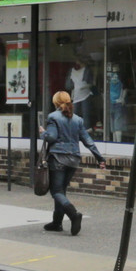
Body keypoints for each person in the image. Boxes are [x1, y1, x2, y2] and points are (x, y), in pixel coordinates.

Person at [41, 89, 103, 234]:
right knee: (61, 191)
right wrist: (100, 158)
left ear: (56, 102)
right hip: (74, 160)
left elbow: (51, 137)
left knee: (56, 191)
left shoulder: (53, 117)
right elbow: (88, 141)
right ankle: (57, 223)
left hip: (58, 158)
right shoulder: (78, 119)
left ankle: (74, 215)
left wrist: (43, 132)